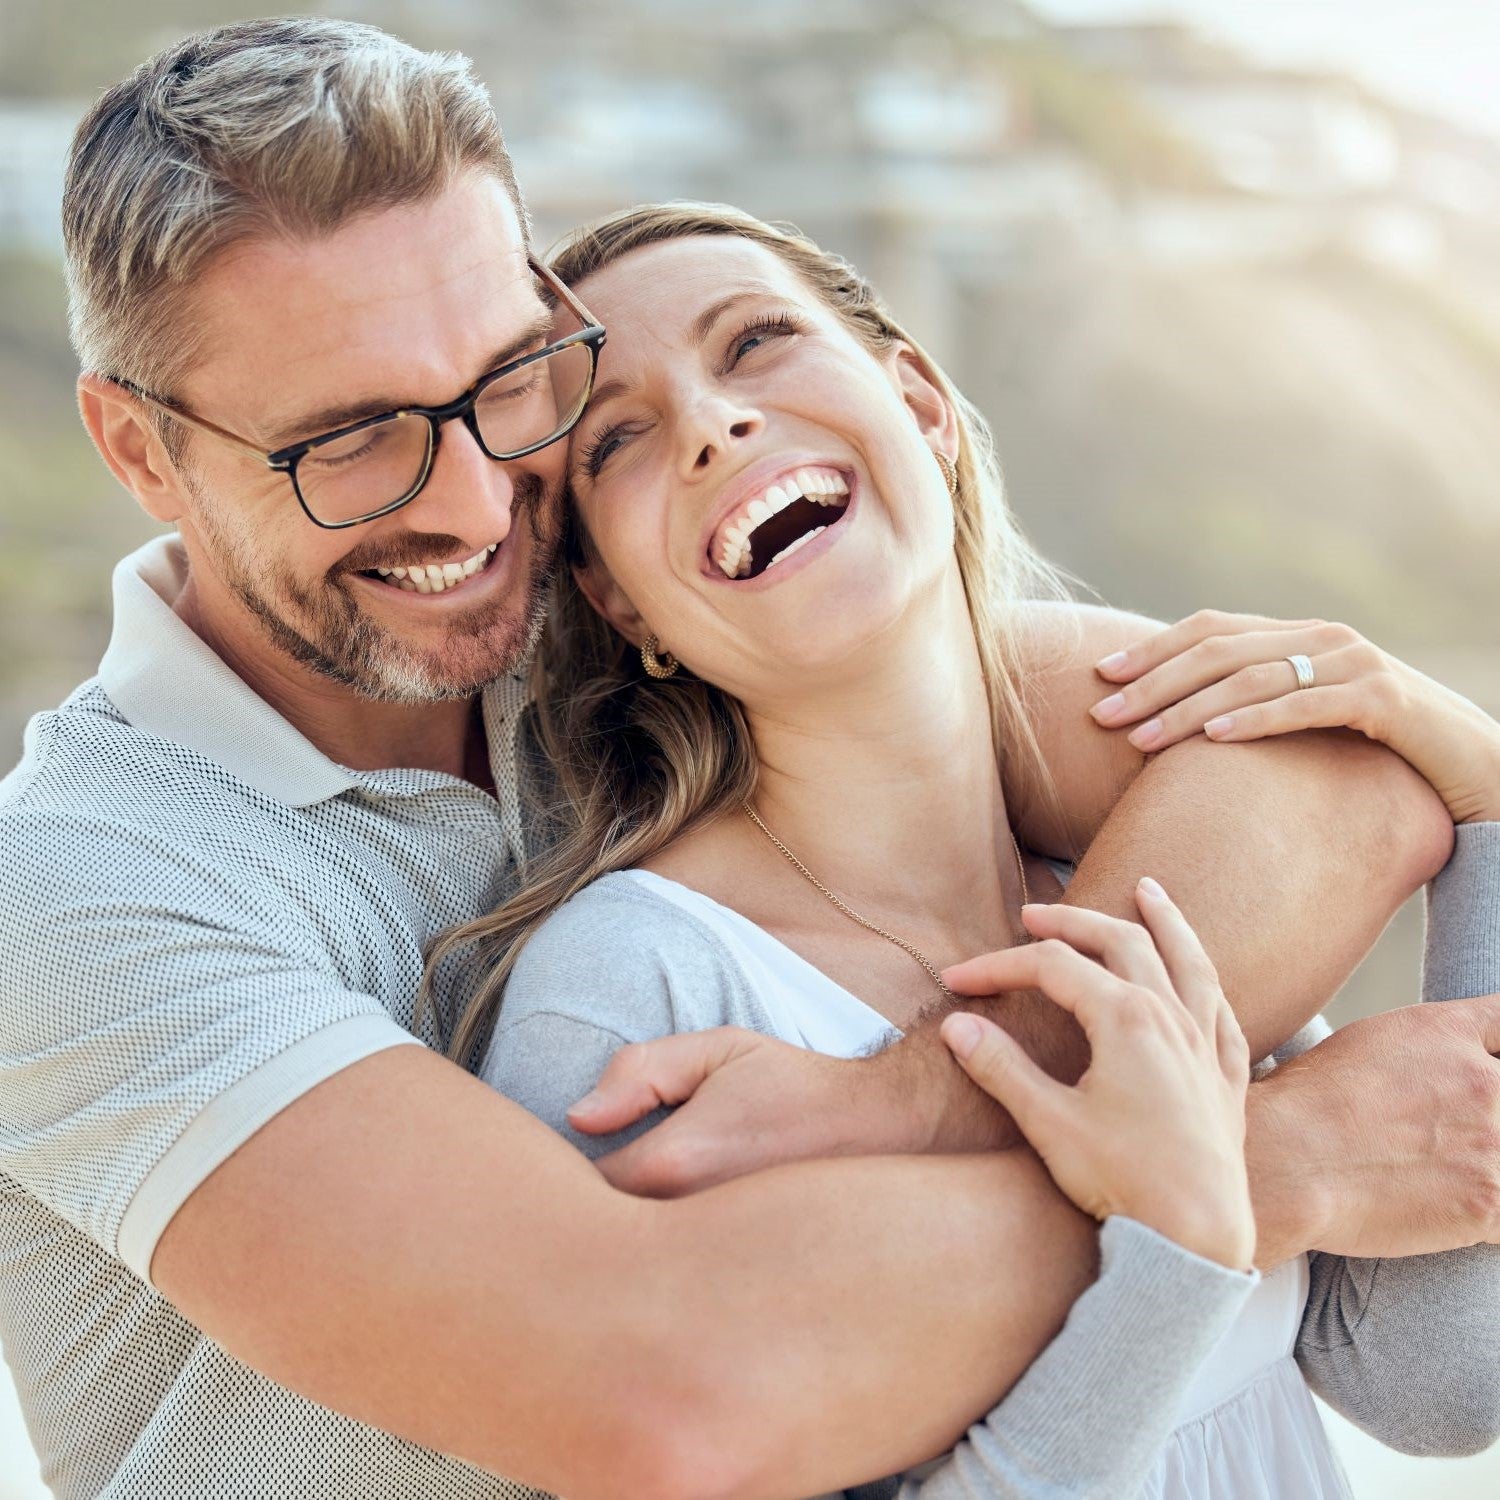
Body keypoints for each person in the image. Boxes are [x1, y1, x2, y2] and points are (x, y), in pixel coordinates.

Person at [0, 19, 1494, 1499]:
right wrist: (1261, 1161)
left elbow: (1315, 770)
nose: (471, 503)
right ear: (141, 454)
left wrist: (933, 1097)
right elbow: (662, 1393)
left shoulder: (617, 622)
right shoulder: (80, 894)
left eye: (511, 384)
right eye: (352, 439)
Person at [469, 202, 1500, 1495]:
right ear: (620, 601)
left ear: (924, 405)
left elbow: (1431, 1380)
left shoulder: (1141, 889)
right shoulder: (629, 996)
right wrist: (1183, 1230)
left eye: (758, 340)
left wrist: (1489, 811)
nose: (713, 425)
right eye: (618, 436)